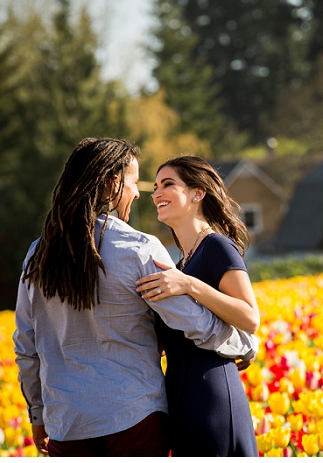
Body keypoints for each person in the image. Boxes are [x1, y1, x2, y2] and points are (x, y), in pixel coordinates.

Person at [13, 138, 257, 457]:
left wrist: (37, 413)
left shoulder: (38, 255)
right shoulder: (138, 249)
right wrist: (245, 344)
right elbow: (193, 322)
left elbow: (26, 344)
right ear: (114, 184)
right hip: (134, 418)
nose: (139, 192)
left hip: (67, 422)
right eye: (133, 182)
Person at [135, 156, 260, 456]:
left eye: (168, 184)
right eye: (155, 187)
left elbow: (250, 317)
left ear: (197, 193)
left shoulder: (217, 247)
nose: (156, 194)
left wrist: (189, 285)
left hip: (211, 392)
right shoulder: (180, 263)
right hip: (178, 394)